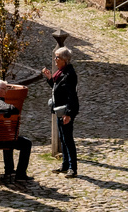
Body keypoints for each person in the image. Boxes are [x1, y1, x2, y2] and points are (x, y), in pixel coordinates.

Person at [42, 45, 80, 177]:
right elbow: (57, 89)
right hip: (60, 110)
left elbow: (71, 96)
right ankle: (65, 165)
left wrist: (68, 114)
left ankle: (72, 168)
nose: (54, 60)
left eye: (57, 57)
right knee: (63, 139)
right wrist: (49, 78)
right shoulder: (60, 73)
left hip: (65, 111)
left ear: (64, 59)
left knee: (68, 139)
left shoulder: (69, 74)